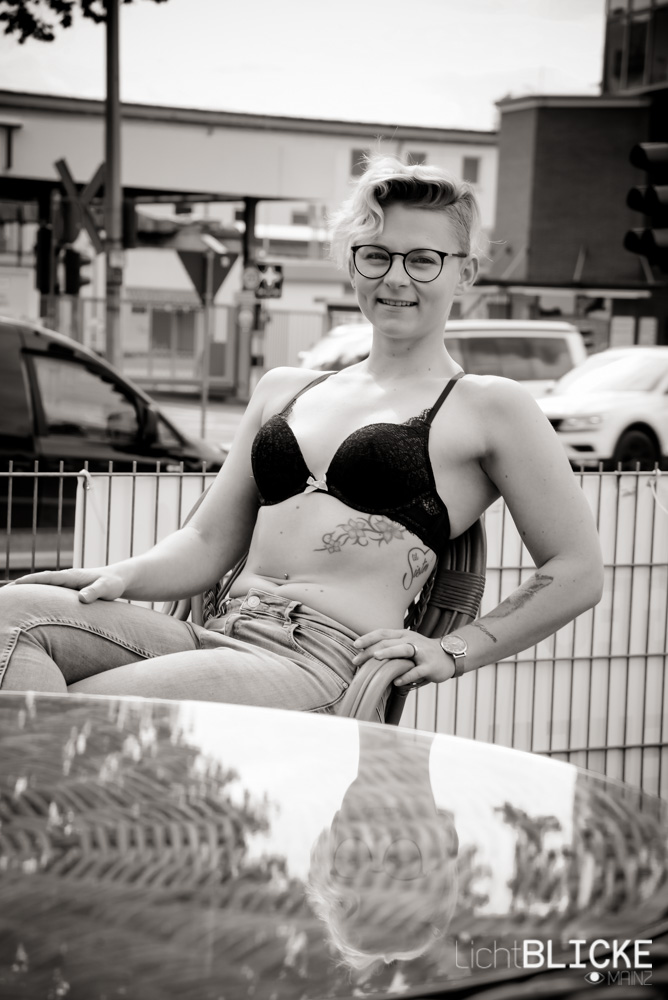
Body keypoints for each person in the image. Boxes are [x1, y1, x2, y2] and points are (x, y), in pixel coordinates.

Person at [0, 155, 603, 707]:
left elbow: (577, 570)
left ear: (464, 272)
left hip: (319, 659)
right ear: (353, 262)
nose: (396, 278)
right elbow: (207, 542)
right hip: (218, 631)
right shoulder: (284, 388)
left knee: (95, 709)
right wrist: (121, 575)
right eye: (376, 254)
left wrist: (452, 651)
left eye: (423, 260)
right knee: (11, 614)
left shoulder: (489, 406)